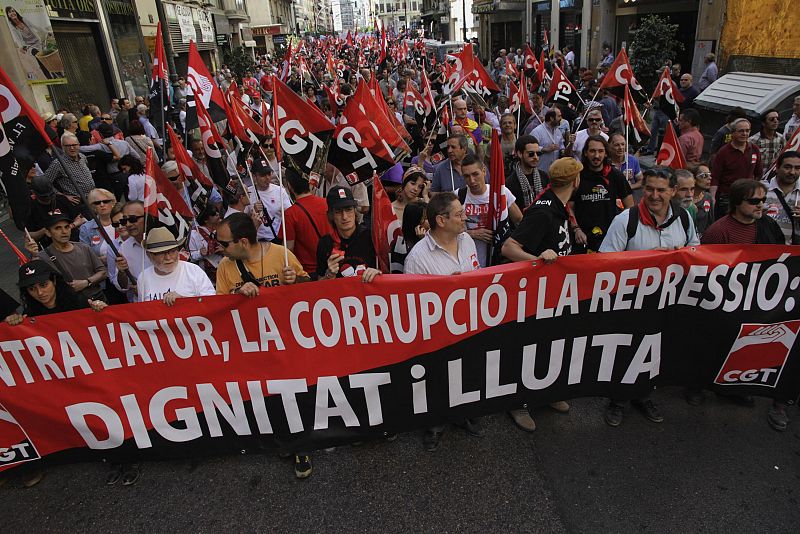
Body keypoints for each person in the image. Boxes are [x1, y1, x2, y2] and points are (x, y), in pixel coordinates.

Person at [599, 167, 699, 426]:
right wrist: (646, 260)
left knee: (654, 352)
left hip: (668, 304)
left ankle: (644, 396)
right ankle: (617, 401)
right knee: (625, 353)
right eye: (650, 189)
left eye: (661, 190)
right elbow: (604, 263)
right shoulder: (625, 220)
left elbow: (697, 254)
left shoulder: (685, 219)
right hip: (631, 304)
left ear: (673, 192)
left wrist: (682, 255)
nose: (654, 195)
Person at [700, 179, 788, 428]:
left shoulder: (768, 226)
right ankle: (700, 385)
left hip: (758, 300)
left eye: (763, 200)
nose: (761, 205)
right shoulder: (719, 231)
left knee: (745, 346)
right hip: (725, 300)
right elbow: (705, 269)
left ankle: (735, 387)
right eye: (754, 201)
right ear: (738, 203)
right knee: (717, 346)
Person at [404, 193, 482, 451]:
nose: (465, 217)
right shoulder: (417, 258)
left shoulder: (468, 240)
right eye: (459, 214)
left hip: (470, 326)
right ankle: (434, 425)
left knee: (466, 373)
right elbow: (412, 305)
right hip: (437, 334)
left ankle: (462, 414)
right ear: (441, 220)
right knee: (437, 378)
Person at [215, 212, 309, 295]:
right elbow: (221, 305)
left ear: (244, 242)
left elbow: (309, 286)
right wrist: (237, 293)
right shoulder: (224, 265)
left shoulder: (281, 254)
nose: (220, 248)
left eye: (224, 244)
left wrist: (295, 279)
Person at [571, 135, 634, 251]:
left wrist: (621, 230)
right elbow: (569, 207)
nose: (596, 156)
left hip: (610, 239)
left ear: (606, 153)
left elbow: (630, 208)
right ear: (585, 153)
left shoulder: (616, 176)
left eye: (600, 151)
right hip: (582, 239)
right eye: (592, 151)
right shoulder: (577, 177)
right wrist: (576, 229)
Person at [458, 155, 522, 267]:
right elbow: (446, 231)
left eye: (475, 174)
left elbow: (519, 220)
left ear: (484, 171)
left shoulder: (501, 193)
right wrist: (471, 233)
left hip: (497, 259)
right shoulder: (459, 196)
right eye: (467, 176)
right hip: (468, 261)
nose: (472, 180)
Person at [316, 187, 382, 282]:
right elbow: (318, 285)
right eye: (338, 212)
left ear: (355, 211)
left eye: (348, 209)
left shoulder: (371, 237)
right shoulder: (325, 243)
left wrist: (377, 272)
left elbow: (388, 272)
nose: (345, 217)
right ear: (330, 215)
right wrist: (329, 275)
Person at [138, 227, 215, 304]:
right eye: (161, 253)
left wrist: (183, 301)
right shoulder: (143, 277)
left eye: (172, 251)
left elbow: (211, 304)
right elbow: (143, 311)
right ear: (149, 255)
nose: (168, 258)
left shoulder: (194, 271)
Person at [281, 167, 333, 276]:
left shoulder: (290, 214)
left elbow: (288, 250)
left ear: (289, 186)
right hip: (332, 266)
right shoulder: (328, 203)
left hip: (308, 273)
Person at [710, 118, 763, 218]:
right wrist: (712, 197)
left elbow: (759, 173)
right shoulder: (723, 152)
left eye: (747, 131)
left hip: (747, 196)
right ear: (733, 133)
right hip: (727, 197)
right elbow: (715, 176)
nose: (744, 134)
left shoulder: (754, 149)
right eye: (741, 131)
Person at [108, 201, 152, 302]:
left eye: (132, 219)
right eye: (124, 221)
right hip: (141, 305)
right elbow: (123, 286)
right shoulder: (124, 248)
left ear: (146, 217)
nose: (128, 224)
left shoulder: (161, 240)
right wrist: (122, 272)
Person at [44, 133, 95, 214]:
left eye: (74, 145)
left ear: (79, 145)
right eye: (68, 146)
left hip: (92, 200)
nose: (72, 148)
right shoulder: (58, 163)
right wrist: (63, 196)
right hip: (78, 204)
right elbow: (45, 183)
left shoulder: (82, 157)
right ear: (63, 147)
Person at [26, 175, 82, 247]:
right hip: (49, 246)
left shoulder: (61, 199)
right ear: (33, 193)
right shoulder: (30, 208)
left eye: (51, 194)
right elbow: (29, 235)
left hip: (73, 241)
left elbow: (79, 218)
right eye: (44, 197)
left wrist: (69, 227)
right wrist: (45, 231)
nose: (48, 198)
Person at [761, 151, 800, 246]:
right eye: (787, 167)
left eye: (797, 168)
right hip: (765, 250)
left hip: (794, 254)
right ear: (777, 168)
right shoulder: (760, 188)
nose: (792, 172)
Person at [505, 135, 550, 210]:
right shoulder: (510, 183)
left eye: (538, 153)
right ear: (519, 154)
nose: (535, 157)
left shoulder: (544, 176)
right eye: (531, 154)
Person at [79, 188, 116, 261]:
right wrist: (100, 260)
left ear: (112, 203)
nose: (102, 205)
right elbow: (85, 256)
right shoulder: (86, 228)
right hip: (103, 269)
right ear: (93, 207)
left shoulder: (124, 222)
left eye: (105, 201)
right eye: (97, 203)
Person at [188, 204, 224, 281]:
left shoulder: (222, 229)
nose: (218, 214)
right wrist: (199, 253)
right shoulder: (194, 234)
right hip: (205, 275)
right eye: (213, 214)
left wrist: (225, 250)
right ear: (206, 219)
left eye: (218, 212)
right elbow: (190, 256)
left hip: (223, 270)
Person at [608, 133, 643, 200]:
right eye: (617, 145)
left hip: (629, 198)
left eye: (623, 144)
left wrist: (630, 186)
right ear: (609, 146)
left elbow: (641, 181)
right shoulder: (605, 162)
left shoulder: (632, 160)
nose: (621, 148)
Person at [531, 109, 567, 173]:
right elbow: (530, 148)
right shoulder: (537, 131)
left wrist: (563, 150)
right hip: (541, 171)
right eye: (559, 116)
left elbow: (561, 147)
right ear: (551, 118)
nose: (561, 118)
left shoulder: (558, 131)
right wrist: (545, 149)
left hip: (554, 172)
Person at [691, 163, 715, 237]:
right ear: (693, 179)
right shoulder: (684, 199)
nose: (709, 178)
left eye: (709, 175)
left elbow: (711, 223)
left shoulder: (708, 198)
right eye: (704, 175)